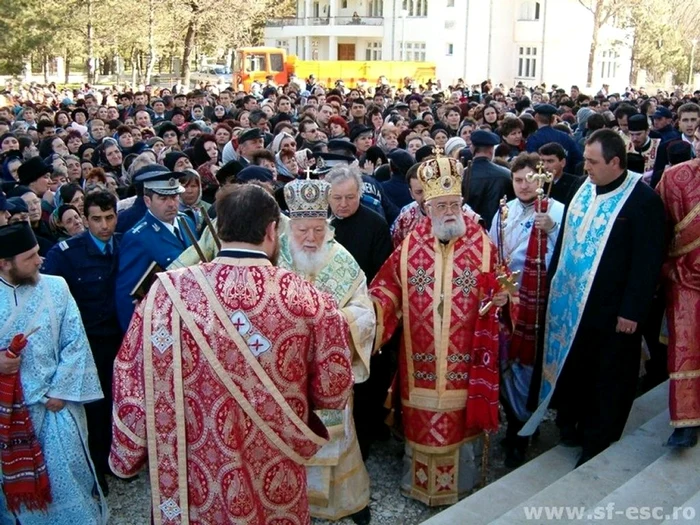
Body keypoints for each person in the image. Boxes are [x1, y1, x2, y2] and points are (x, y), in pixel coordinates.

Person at [110, 185, 354, 523]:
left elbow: (131, 379)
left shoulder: (164, 294)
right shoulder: (309, 299)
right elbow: (333, 391)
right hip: (274, 458)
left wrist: (127, 451)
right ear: (272, 230)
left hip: (195, 466)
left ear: (219, 228)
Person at [520, 129, 666, 467]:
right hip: (572, 306)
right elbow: (569, 240)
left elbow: (647, 263)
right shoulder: (583, 189)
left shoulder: (643, 202)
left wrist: (632, 311)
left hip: (614, 313)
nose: (584, 166)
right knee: (577, 369)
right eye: (585, 159)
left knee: (608, 377)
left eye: (592, 161)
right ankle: (569, 423)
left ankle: (598, 439)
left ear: (615, 162)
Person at [370, 152, 507, 506]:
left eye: (454, 204)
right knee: (422, 416)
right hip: (420, 359)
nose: (448, 212)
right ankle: (418, 484)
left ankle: (459, 484)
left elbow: (501, 290)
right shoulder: (409, 246)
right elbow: (387, 289)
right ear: (427, 208)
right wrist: (372, 310)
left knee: (458, 421)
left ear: (462, 204)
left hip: (465, 360)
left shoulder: (482, 245)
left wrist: (503, 301)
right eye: (440, 205)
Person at [280, 176, 374, 524]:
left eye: (318, 230)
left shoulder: (343, 260)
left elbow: (366, 311)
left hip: (329, 373)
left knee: (338, 438)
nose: (310, 238)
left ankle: (347, 503)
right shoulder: (275, 260)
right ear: (291, 226)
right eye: (303, 230)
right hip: (287, 375)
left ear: (327, 226)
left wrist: (336, 322)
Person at [0, 222, 106, 524]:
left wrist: (61, 390)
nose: (39, 260)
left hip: (57, 407)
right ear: (5, 264)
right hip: (10, 414)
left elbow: (75, 340)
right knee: (17, 496)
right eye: (30, 257)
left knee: (70, 482)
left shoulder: (56, 287)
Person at [41, 191, 121, 495]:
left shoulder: (123, 245)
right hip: (87, 341)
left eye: (110, 217)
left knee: (117, 402)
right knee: (94, 409)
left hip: (119, 337)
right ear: (84, 220)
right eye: (97, 219)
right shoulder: (66, 254)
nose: (104, 225)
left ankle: (116, 459)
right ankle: (96, 467)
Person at [487, 152, 564, 468]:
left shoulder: (556, 210)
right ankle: (515, 424)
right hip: (508, 300)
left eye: (530, 179)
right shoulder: (503, 212)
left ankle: (521, 431)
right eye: (517, 180)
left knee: (529, 365)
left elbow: (566, 253)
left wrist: (552, 229)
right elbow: (493, 252)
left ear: (542, 178)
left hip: (539, 300)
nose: (523, 186)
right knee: (506, 361)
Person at [327, 165, 393, 458]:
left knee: (363, 386)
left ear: (360, 194)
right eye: (337, 198)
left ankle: (361, 446)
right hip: (325, 319)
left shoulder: (375, 224)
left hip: (360, 319)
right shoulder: (320, 225)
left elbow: (381, 277)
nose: (343, 204)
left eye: (350, 197)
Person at [115, 166, 195, 331]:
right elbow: (128, 296)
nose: (172, 204)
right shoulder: (137, 237)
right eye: (163, 198)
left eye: (174, 196)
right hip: (162, 323)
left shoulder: (186, 222)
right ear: (147, 201)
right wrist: (135, 338)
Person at [656, 159, 700, 448]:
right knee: (686, 346)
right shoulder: (675, 177)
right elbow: (658, 230)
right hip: (686, 277)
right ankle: (686, 420)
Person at [462, 129, 514, 229]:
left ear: (472, 149)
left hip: (471, 231)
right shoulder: (506, 174)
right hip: (501, 230)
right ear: (491, 150)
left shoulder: (461, 175)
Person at [526, 104, 583, 173]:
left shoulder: (533, 138)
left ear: (536, 117)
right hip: (565, 178)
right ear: (553, 119)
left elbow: (531, 162)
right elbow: (578, 159)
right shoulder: (565, 136)